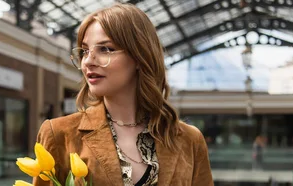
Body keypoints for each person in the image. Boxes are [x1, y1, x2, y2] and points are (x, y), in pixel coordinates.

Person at [33, 3, 213, 186]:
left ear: (139, 56)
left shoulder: (189, 140)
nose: (88, 61)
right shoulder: (60, 134)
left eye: (105, 49)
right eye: (85, 51)